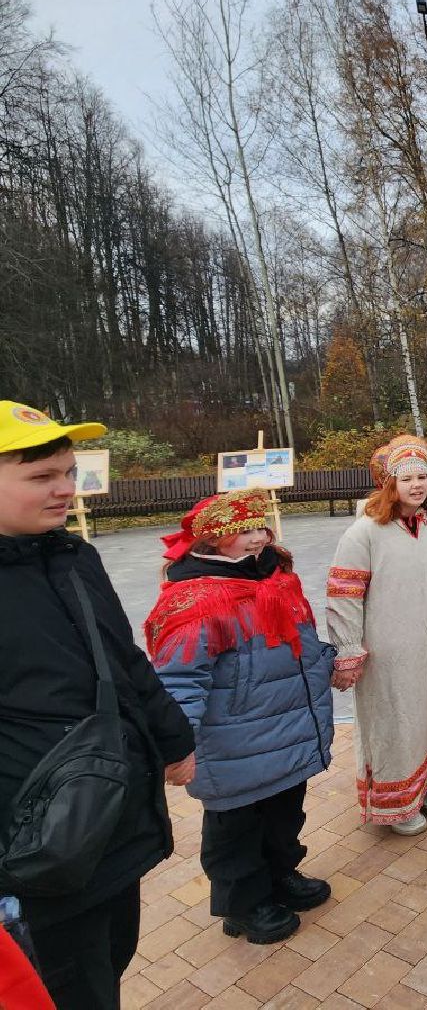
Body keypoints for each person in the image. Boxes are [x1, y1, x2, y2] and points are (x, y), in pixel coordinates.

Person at [0, 401, 194, 1009]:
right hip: (36, 845)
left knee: (110, 958)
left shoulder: (74, 556)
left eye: (68, 471)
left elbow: (124, 660)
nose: (66, 489)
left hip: (114, 818)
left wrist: (174, 737)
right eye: (42, 477)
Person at [144, 490, 334, 945]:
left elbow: (301, 643)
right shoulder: (196, 602)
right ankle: (243, 905)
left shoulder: (277, 578)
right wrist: (177, 743)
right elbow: (180, 680)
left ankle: (280, 876)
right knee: (236, 831)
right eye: (244, 531)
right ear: (211, 542)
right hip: (234, 743)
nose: (259, 538)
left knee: (285, 813)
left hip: (287, 728)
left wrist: (327, 661)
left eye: (261, 527)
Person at [326, 435, 427, 835]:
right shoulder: (364, 533)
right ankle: (400, 798)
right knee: (397, 718)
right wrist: (348, 648)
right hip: (389, 647)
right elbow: (344, 594)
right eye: (406, 478)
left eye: (422, 477)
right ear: (388, 484)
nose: (417, 485)